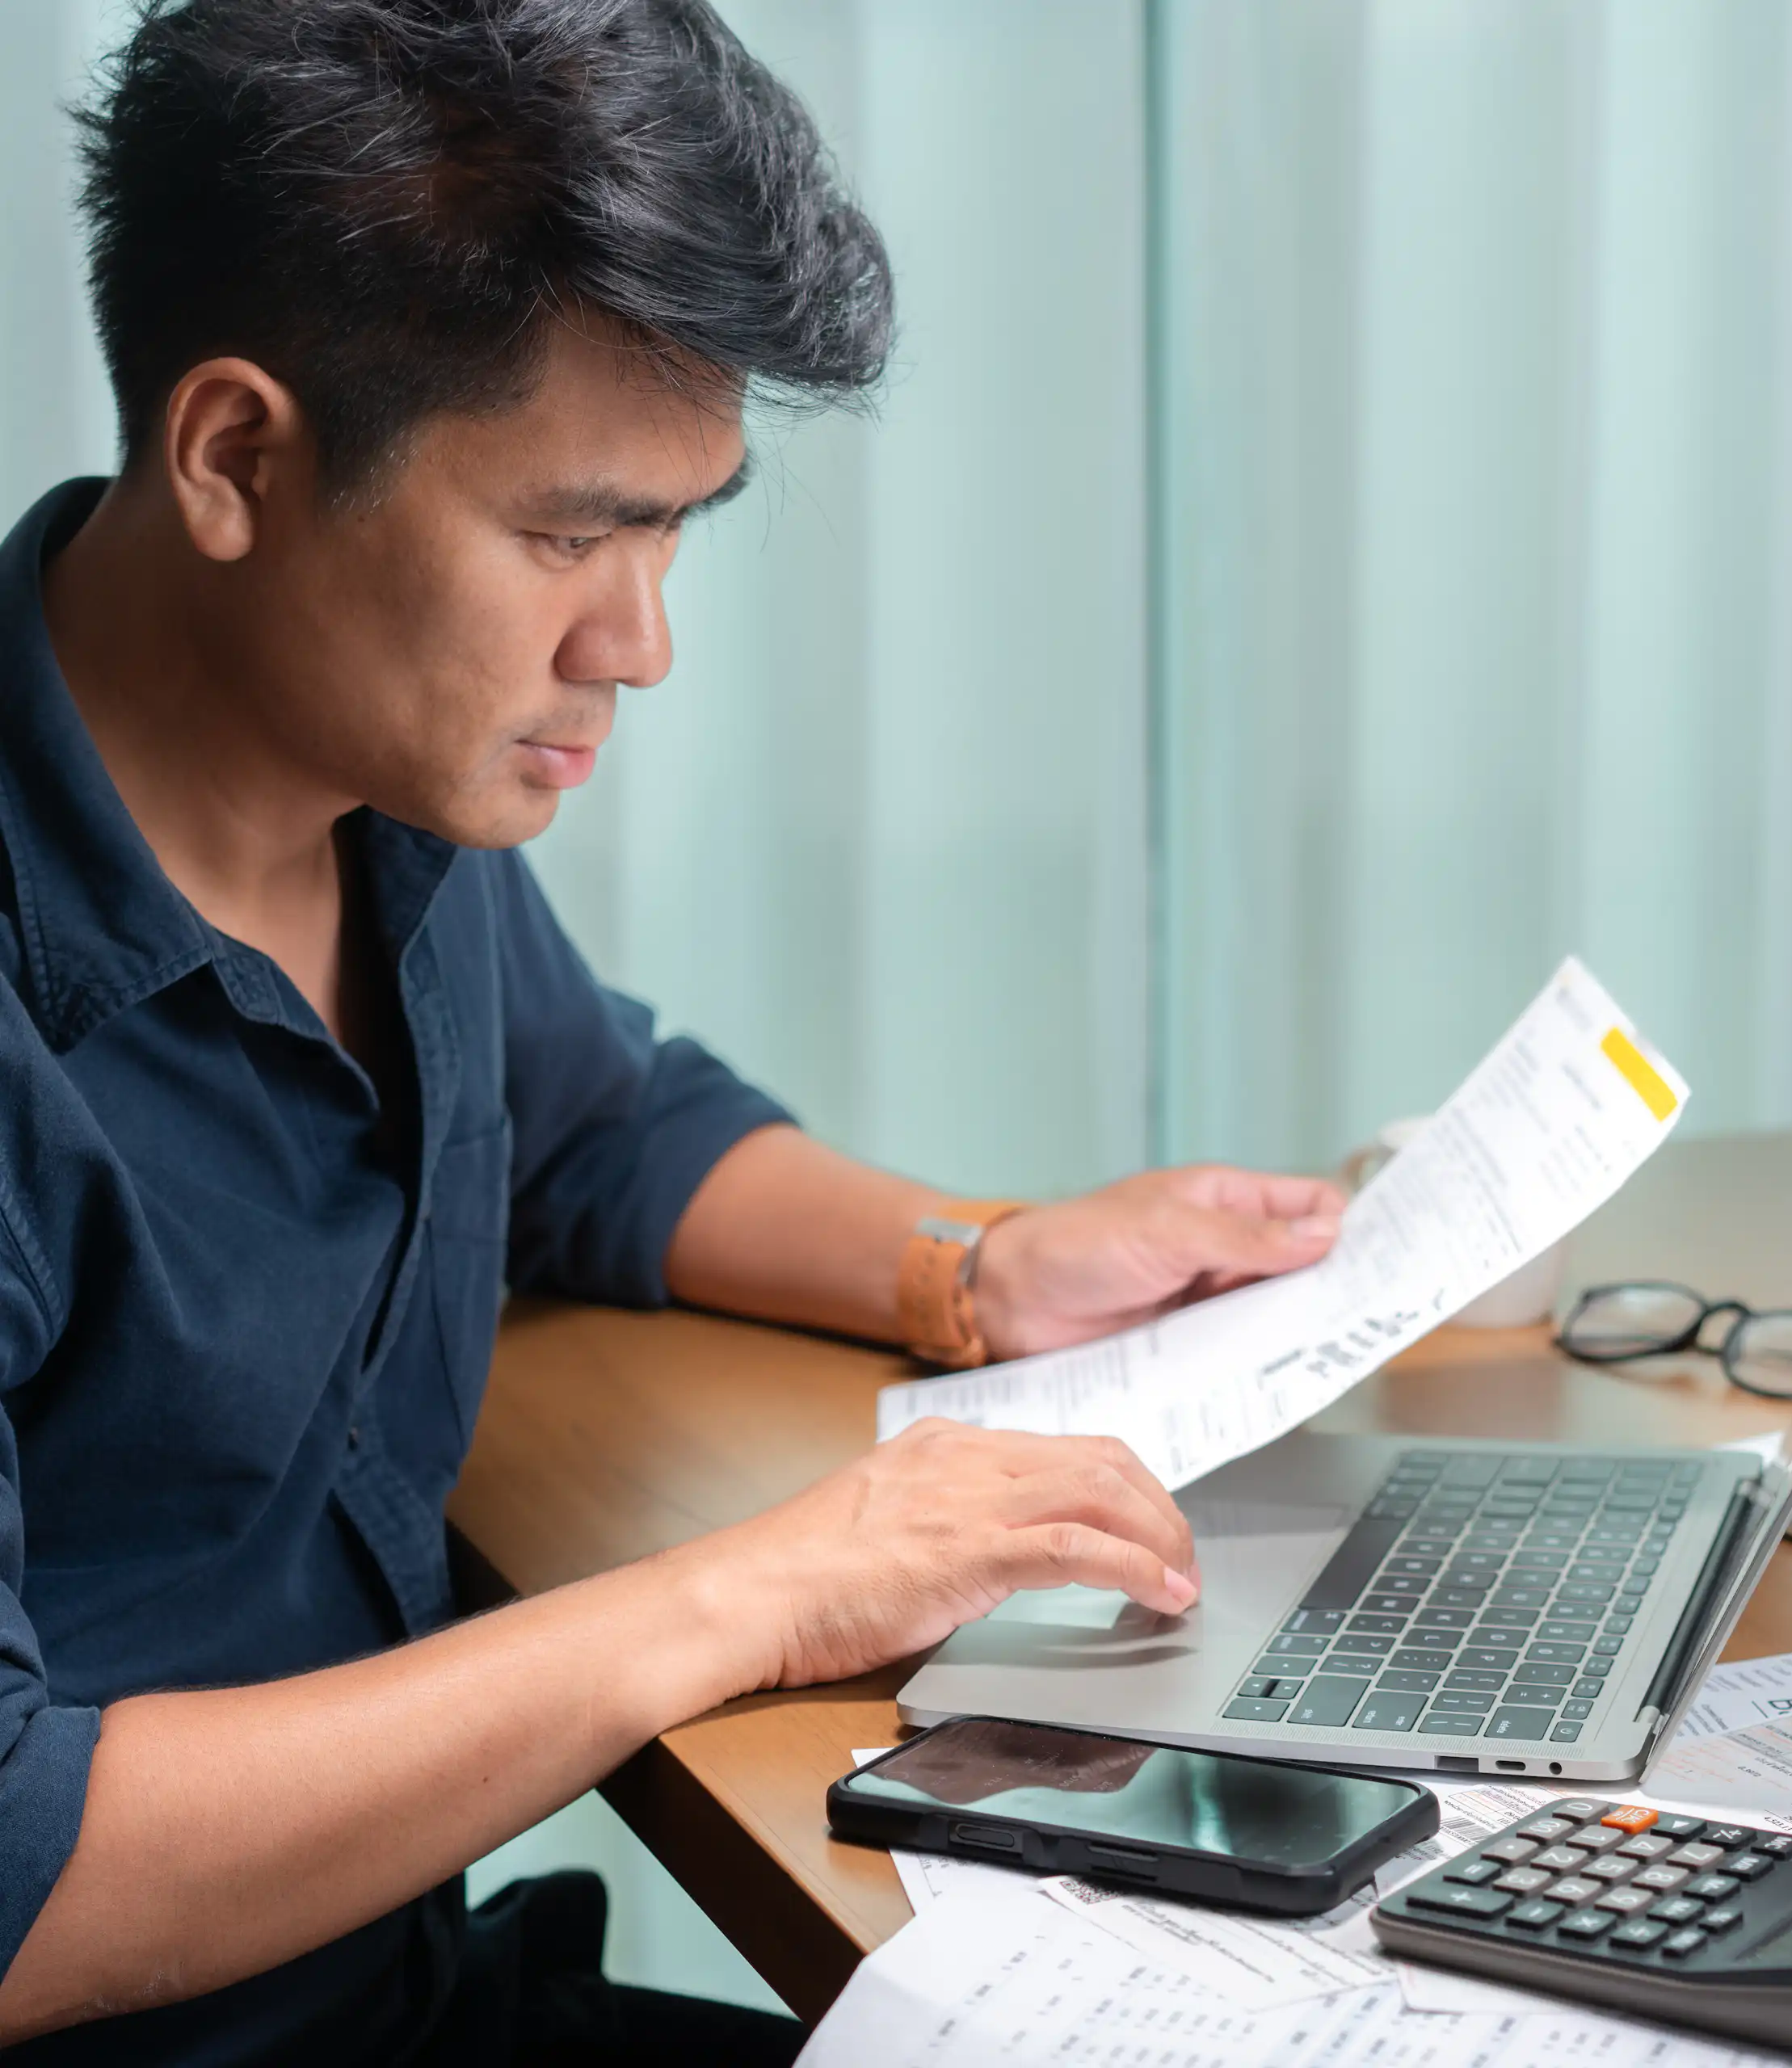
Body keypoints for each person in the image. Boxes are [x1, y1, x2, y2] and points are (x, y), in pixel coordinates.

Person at [0, 2, 1344, 2059]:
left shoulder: (379, 802)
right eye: (566, 532)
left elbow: (597, 1132)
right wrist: (769, 1588)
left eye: (670, 529)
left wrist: (973, 1265)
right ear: (236, 457)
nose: (636, 643)